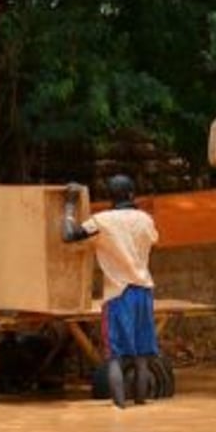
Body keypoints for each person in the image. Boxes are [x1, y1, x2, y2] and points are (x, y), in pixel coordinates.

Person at [62, 174, 159, 409]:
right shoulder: (146, 219)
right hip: (144, 292)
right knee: (141, 356)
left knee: (115, 356)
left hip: (118, 295)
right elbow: (154, 241)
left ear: (110, 197)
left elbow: (68, 235)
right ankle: (141, 403)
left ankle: (119, 408)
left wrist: (69, 205)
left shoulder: (102, 221)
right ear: (131, 194)